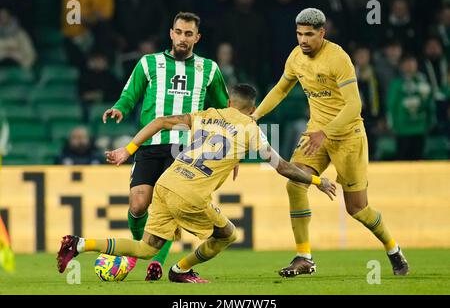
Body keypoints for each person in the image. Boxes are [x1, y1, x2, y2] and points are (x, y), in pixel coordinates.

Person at [57, 84, 337, 283]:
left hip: (166, 183)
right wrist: (317, 180)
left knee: (147, 248)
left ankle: (79, 244)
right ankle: (180, 270)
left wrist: (129, 149)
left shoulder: (206, 115)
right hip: (190, 194)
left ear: (229, 102)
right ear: (252, 108)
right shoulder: (251, 129)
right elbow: (283, 167)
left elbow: (160, 121)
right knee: (228, 235)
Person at [251, 8, 409, 277]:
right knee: (295, 184)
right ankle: (304, 258)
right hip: (316, 135)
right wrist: (254, 115)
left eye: (309, 35)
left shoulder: (338, 58)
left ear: (322, 33)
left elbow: (354, 105)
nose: (303, 40)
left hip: (347, 136)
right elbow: (280, 89)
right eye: (299, 34)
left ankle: (393, 249)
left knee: (357, 209)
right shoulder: (295, 57)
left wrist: (326, 132)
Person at [101, 12, 229, 280]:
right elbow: (130, 93)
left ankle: (156, 263)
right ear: (171, 33)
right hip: (150, 143)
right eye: (179, 32)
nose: (183, 38)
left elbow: (223, 112)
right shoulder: (149, 63)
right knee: (138, 205)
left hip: (186, 149)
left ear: (197, 37)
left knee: (168, 207)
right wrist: (119, 108)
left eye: (189, 34)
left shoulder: (209, 69)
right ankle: (142, 250)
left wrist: (228, 148)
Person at [387, 55, 435, 160]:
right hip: (402, 129)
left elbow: (430, 104)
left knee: (419, 160)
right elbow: (391, 105)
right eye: (407, 63)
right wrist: (392, 124)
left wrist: (430, 121)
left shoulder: (423, 83)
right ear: (401, 66)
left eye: (412, 63)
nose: (410, 66)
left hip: (420, 128)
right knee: (402, 161)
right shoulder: (396, 84)